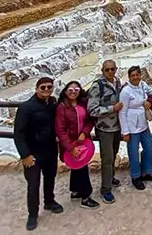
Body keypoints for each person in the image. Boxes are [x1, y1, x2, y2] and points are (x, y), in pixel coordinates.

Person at [14, 77, 63, 231]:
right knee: (33, 185)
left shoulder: (52, 104)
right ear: (36, 89)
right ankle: (33, 214)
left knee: (50, 178)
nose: (46, 90)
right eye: (43, 87)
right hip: (33, 154)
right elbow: (19, 134)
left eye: (49, 87)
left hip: (50, 150)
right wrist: (25, 155)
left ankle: (49, 201)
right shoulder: (26, 108)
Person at [55, 81, 99, 209]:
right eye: (70, 90)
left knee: (77, 166)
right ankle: (86, 197)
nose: (73, 92)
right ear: (65, 91)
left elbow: (90, 120)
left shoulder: (83, 103)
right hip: (69, 144)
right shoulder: (62, 107)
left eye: (76, 90)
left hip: (82, 141)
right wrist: (70, 148)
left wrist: (85, 132)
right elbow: (60, 130)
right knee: (82, 168)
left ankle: (75, 191)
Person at [88, 59, 124, 204]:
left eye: (112, 69)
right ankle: (105, 189)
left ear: (116, 70)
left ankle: (110, 178)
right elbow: (92, 110)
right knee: (107, 159)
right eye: (107, 70)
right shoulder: (97, 86)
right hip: (104, 129)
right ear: (102, 71)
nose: (110, 72)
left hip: (117, 127)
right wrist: (112, 108)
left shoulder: (117, 82)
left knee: (113, 155)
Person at [119, 66, 152, 190]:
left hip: (143, 125)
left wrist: (149, 101)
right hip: (131, 128)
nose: (135, 77)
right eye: (133, 75)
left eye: (137, 74)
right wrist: (125, 132)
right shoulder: (125, 92)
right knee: (133, 153)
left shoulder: (142, 85)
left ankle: (146, 172)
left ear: (140, 75)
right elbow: (122, 112)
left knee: (149, 147)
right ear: (129, 77)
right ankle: (136, 176)